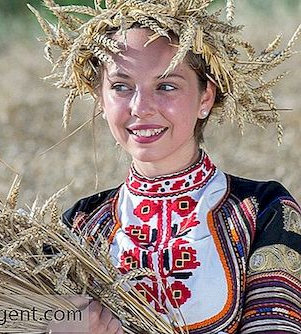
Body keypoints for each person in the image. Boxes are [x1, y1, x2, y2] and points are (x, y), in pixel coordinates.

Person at [31, 1, 301, 333]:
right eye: (121, 86)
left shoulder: (263, 212)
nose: (140, 107)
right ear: (101, 100)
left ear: (205, 98)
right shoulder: (78, 228)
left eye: (167, 86)